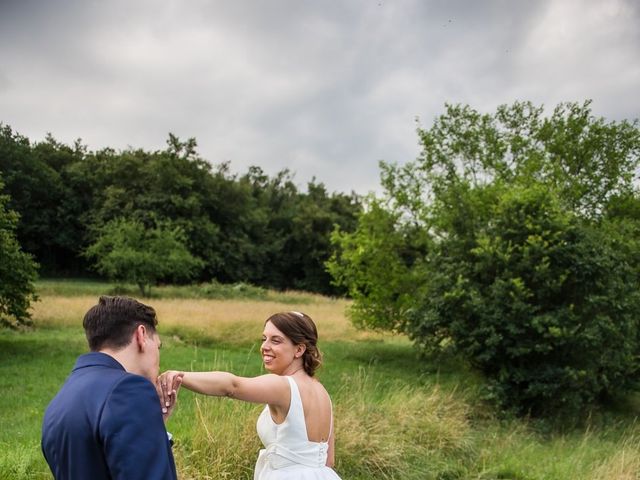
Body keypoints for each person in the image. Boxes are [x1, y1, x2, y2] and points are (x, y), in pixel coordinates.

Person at [159, 311, 342, 479]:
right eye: (264, 339)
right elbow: (328, 460)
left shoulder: (283, 386)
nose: (264, 347)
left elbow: (232, 386)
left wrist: (180, 376)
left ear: (299, 350)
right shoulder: (322, 392)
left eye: (275, 340)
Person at [41, 295, 179, 480]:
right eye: (159, 347)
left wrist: (153, 426)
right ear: (142, 335)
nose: (158, 358)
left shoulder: (60, 401)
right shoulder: (129, 389)